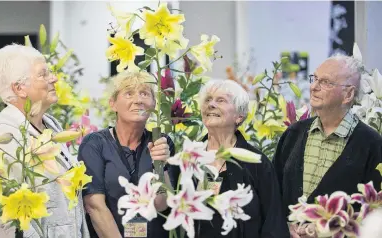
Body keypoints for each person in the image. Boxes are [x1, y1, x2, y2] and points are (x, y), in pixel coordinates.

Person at [0, 44, 89, 237]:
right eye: (43, 74)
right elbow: (5, 220)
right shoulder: (5, 137)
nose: (54, 78)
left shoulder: (51, 125)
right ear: (19, 88)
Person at [273, 54, 382, 237]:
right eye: (314, 79)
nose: (314, 87)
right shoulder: (293, 134)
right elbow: (273, 194)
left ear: (348, 94)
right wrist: (285, 228)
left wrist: (326, 231)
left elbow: (374, 214)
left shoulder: (372, 145)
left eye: (325, 82)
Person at [78, 71, 175, 238]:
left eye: (144, 93)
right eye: (129, 93)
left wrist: (161, 166)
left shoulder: (161, 142)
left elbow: (161, 204)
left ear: (153, 104)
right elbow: (94, 207)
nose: (138, 100)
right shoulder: (95, 144)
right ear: (113, 104)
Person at [193, 79, 290, 238]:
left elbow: (273, 223)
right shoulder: (189, 157)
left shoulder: (257, 163)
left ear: (239, 116)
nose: (211, 104)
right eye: (208, 100)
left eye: (221, 100)